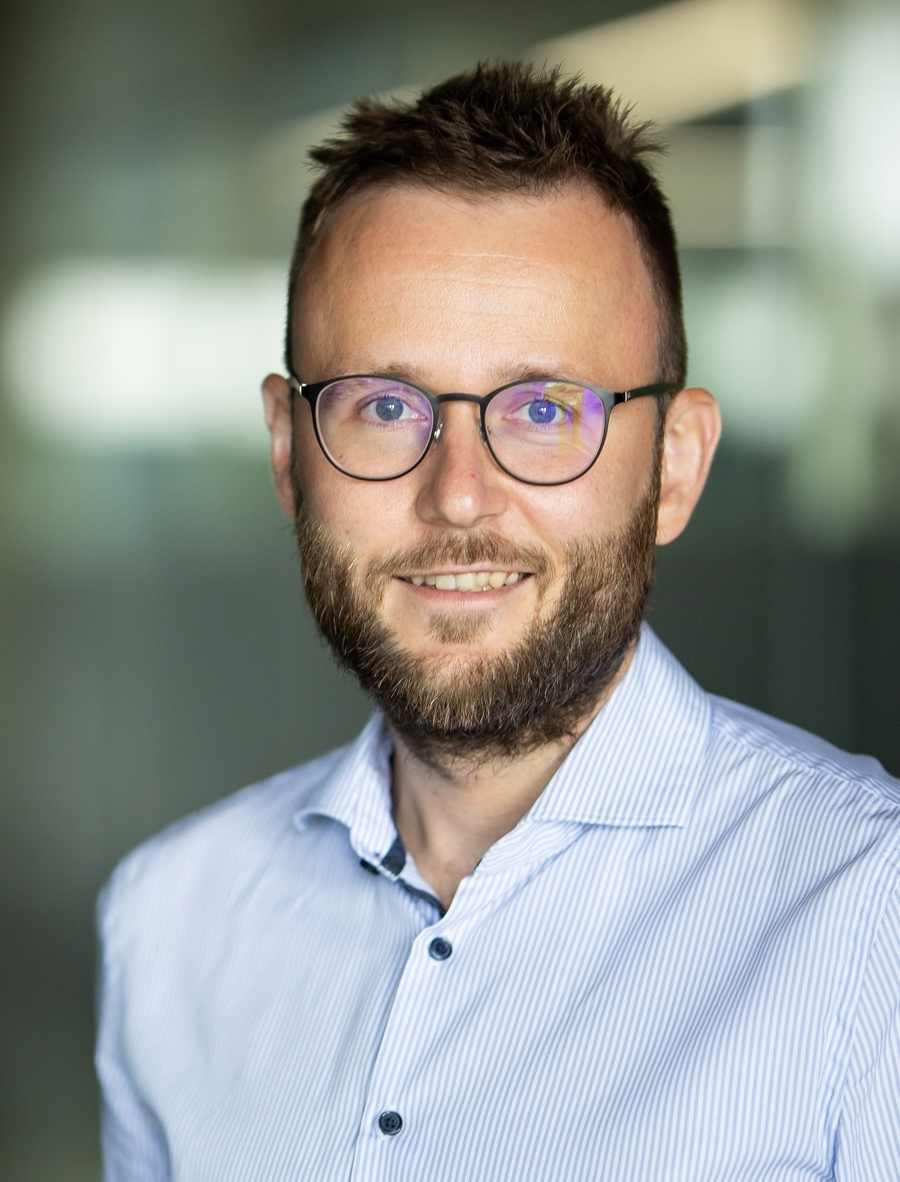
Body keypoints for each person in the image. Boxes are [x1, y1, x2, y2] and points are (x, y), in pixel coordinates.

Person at [95, 63, 900, 1180]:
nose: (460, 496)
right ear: (288, 452)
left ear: (674, 467)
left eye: (545, 409)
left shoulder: (870, 918)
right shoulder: (169, 922)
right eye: (385, 405)